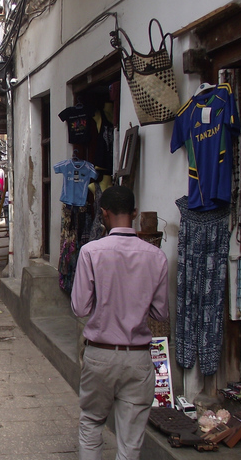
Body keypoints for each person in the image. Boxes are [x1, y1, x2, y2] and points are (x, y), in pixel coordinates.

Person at [71, 185, 168, 460]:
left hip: (99, 354)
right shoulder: (156, 256)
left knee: (91, 422)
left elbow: (80, 307)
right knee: (131, 442)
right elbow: (161, 314)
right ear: (135, 213)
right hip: (138, 359)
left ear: (103, 213)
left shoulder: (91, 252)